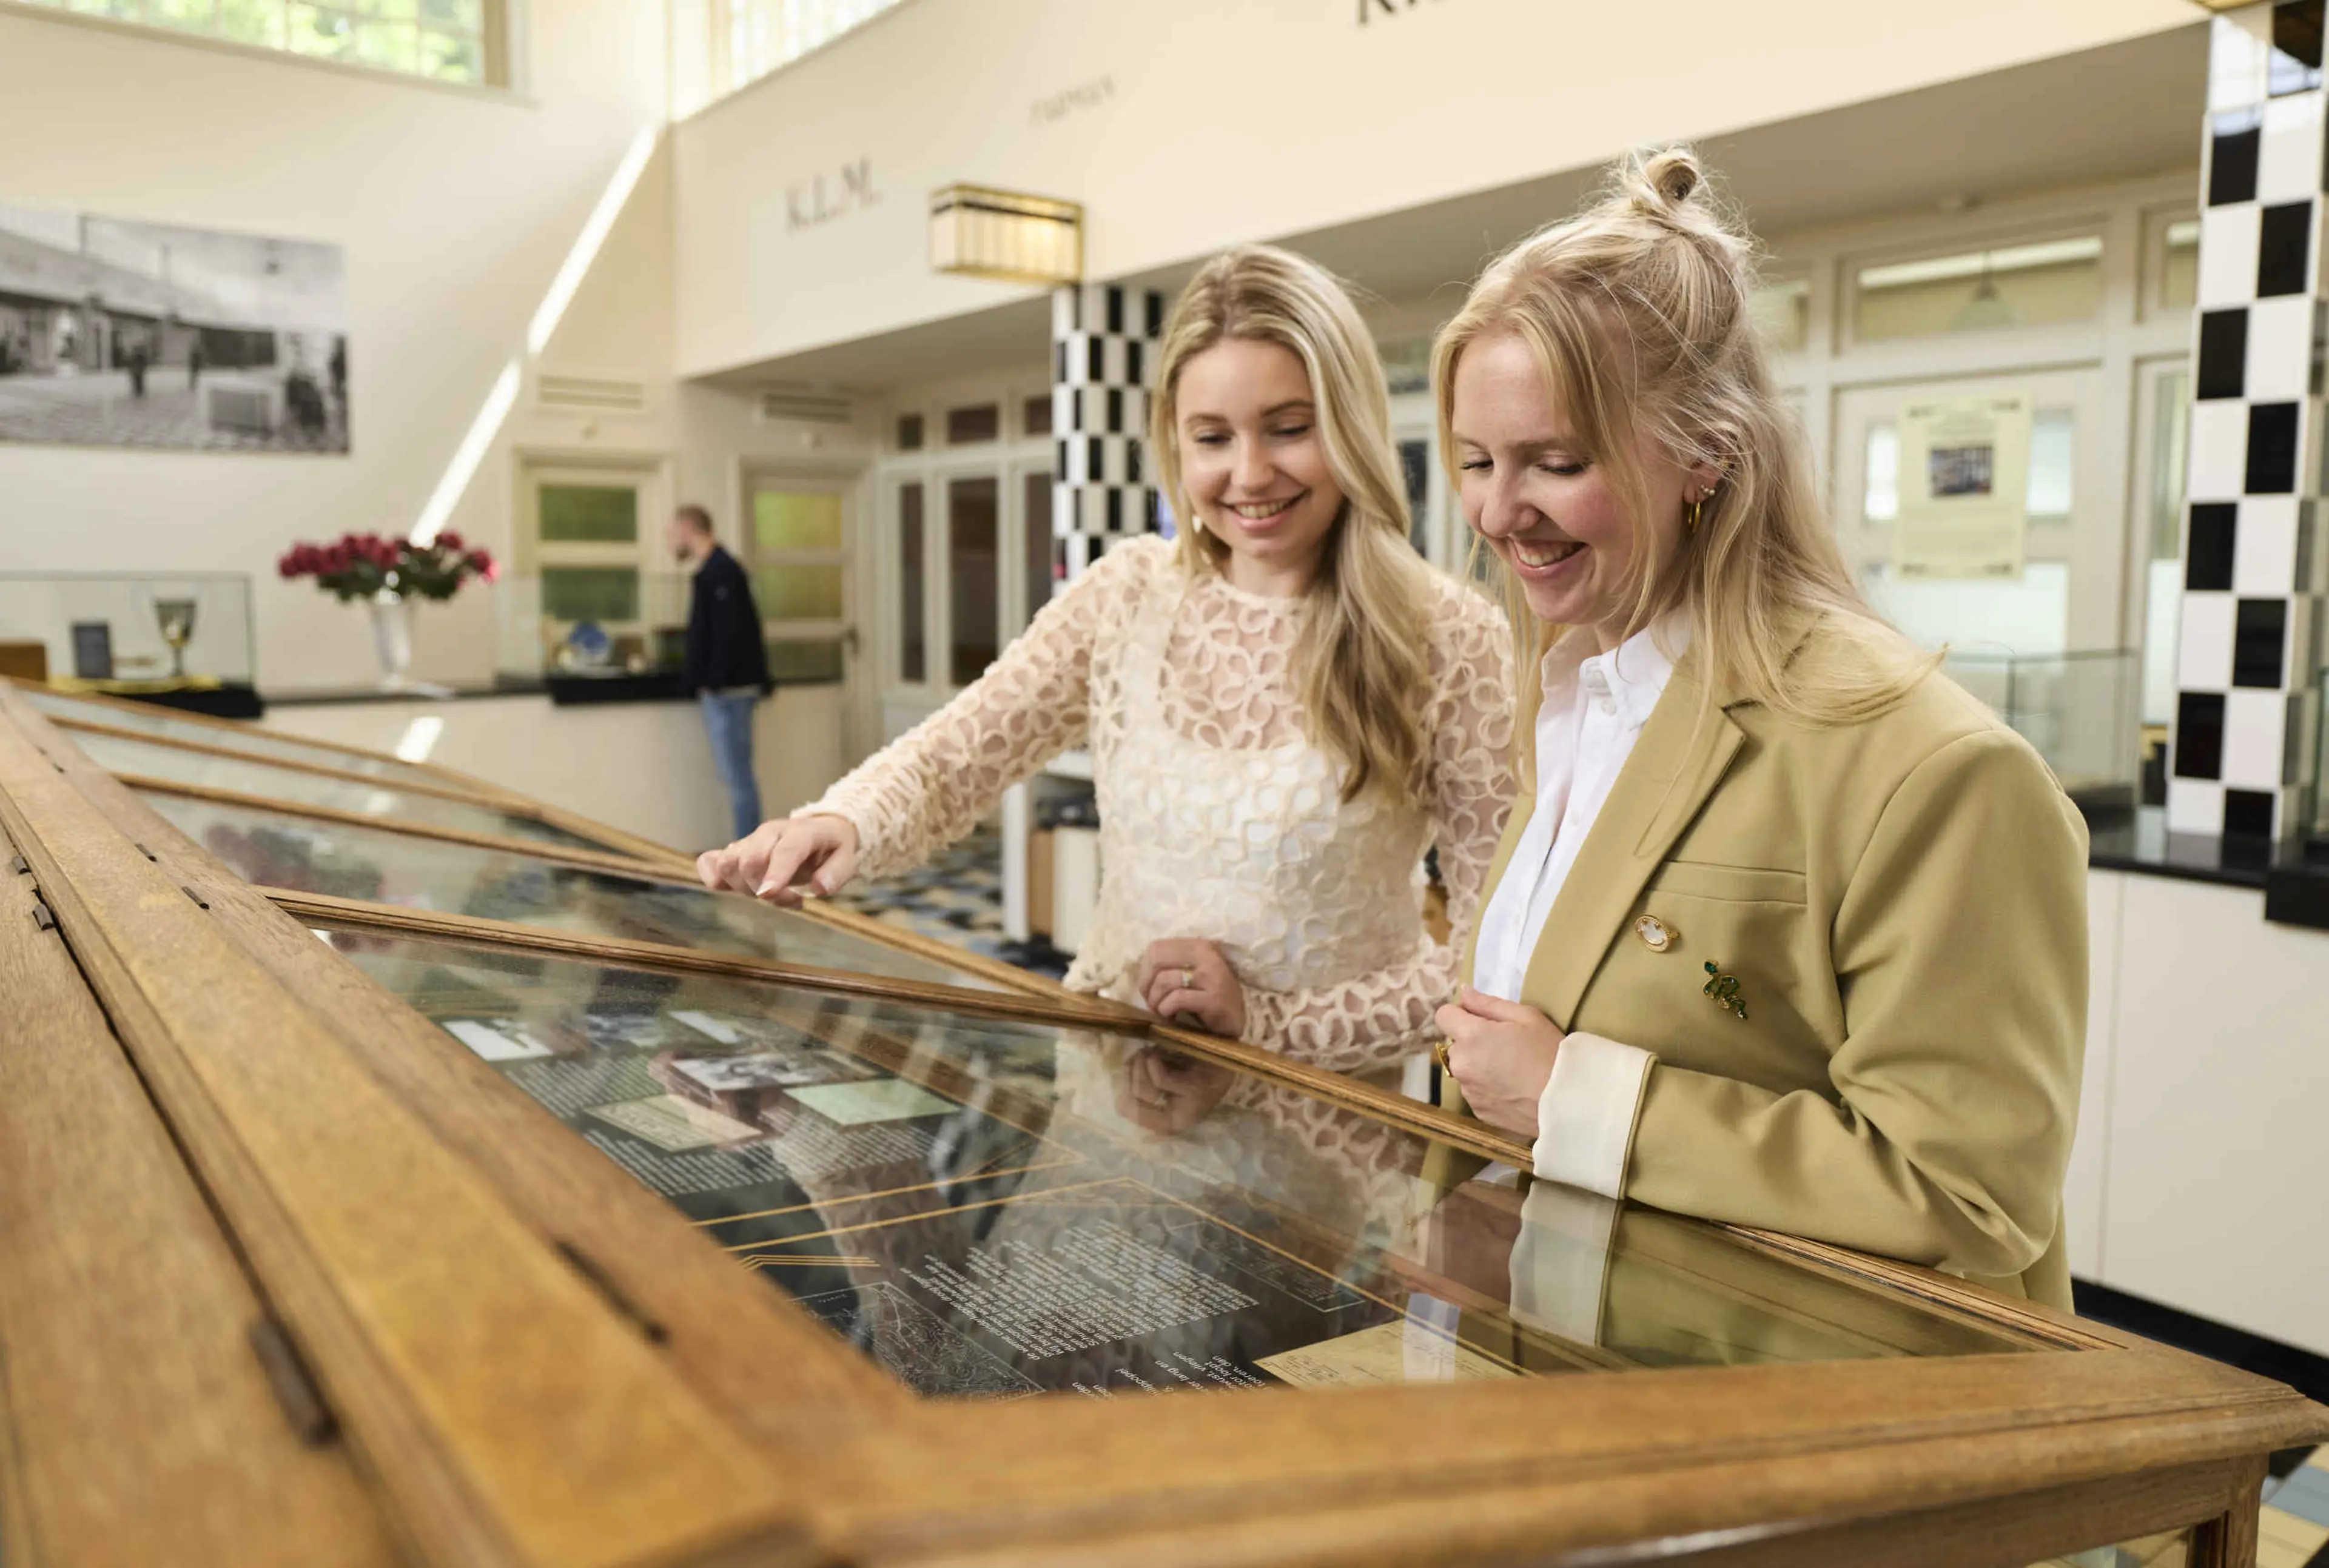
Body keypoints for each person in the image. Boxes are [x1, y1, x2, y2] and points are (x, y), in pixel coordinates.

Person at [1428, 148, 2088, 1308]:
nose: (1497, 510)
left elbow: (1969, 1193)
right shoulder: (1571, 686)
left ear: (1709, 454)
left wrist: (1575, 1098)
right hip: (1560, 1346)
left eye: (1556, 462)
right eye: (1478, 462)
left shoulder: (1939, 768)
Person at [699, 246, 1513, 1079]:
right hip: (1116, 1090)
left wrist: (1269, 1023)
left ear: (1351, 423)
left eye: (1289, 428)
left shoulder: (1450, 637)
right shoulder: (1126, 594)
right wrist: (842, 821)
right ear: (1174, 443)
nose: (1249, 473)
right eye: (1212, 437)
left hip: (1325, 1118)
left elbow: (1493, 955)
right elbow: (953, 759)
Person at [669, 504, 773, 843]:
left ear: (688, 529)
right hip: (727, 689)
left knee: (738, 776)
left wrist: (711, 680)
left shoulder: (722, 573)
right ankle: (749, 846)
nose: (671, 540)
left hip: (730, 692)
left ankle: (750, 849)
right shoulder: (717, 572)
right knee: (736, 776)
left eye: (673, 532)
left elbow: (730, 634)